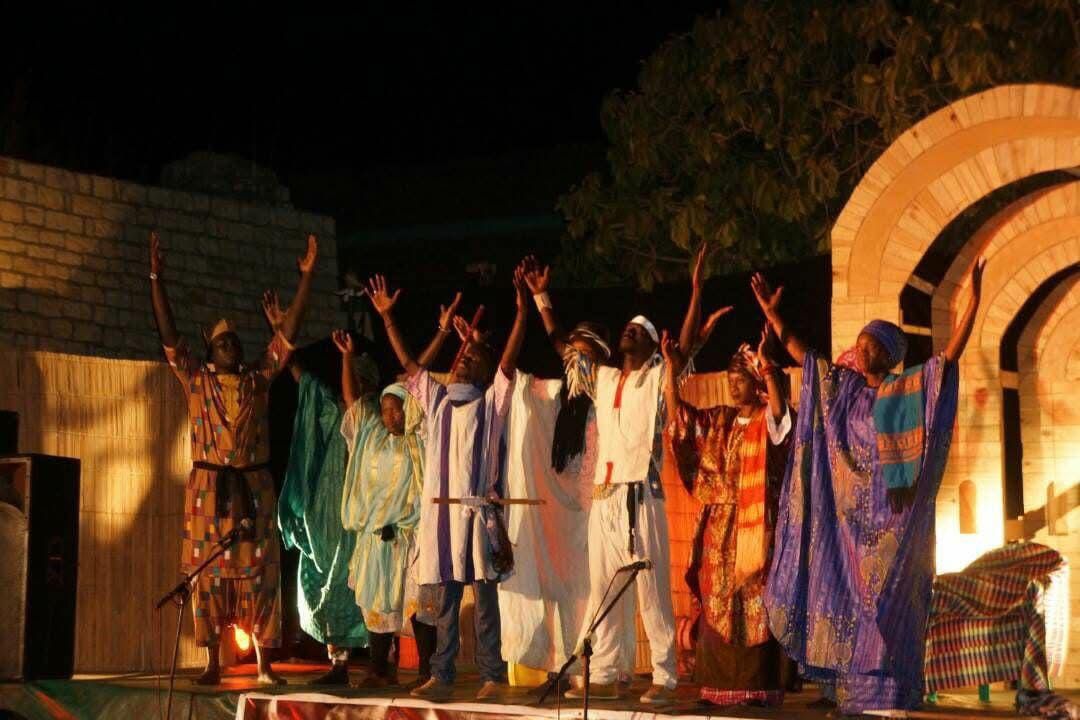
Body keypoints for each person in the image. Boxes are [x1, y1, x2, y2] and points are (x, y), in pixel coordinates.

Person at [761, 258, 986, 715]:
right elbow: (804, 357)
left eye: (870, 345)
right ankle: (855, 698)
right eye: (859, 343)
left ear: (888, 354)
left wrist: (973, 304)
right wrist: (772, 315)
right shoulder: (843, 391)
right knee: (847, 604)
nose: (860, 350)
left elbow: (947, 361)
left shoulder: (909, 391)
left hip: (893, 528)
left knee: (887, 608)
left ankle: (893, 697)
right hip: (847, 527)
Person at [536, 246, 722, 706]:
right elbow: (562, 348)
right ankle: (606, 671)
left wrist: (696, 291)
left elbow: (684, 348)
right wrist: (542, 299)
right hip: (604, 500)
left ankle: (664, 677)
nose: (629, 330)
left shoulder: (657, 378)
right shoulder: (602, 379)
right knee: (605, 590)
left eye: (639, 330)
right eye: (627, 327)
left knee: (652, 592)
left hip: (641, 496)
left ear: (652, 345)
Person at [149, 230, 318, 685]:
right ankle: (212, 663)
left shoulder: (258, 379)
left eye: (237, 343)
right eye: (224, 344)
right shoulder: (196, 380)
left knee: (260, 573)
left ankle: (264, 665)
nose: (233, 348)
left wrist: (307, 278)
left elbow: (287, 336)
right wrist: (156, 280)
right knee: (208, 576)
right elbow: (168, 335)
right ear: (210, 352)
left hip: (253, 488)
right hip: (209, 491)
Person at [367, 271, 527, 703]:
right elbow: (410, 365)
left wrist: (522, 312)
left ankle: (492, 676)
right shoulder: (436, 400)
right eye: (461, 356)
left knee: (486, 604)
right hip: (441, 519)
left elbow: (507, 362)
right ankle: (442, 675)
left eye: (471, 358)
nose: (461, 360)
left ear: (484, 370)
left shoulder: (491, 402)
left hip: (478, 517)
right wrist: (387, 319)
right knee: (445, 605)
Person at [662, 327, 792, 708]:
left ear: (756, 383)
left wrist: (768, 368)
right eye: (730, 380)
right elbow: (680, 421)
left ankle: (757, 687)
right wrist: (671, 371)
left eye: (741, 380)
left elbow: (783, 420)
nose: (733, 387)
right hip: (718, 529)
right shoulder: (719, 420)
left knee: (755, 602)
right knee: (717, 600)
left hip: (757, 526)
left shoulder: (767, 420)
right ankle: (716, 687)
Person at [270, 295, 373, 685]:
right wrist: (280, 333)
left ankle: (383, 662)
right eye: (353, 378)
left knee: (370, 587)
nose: (355, 386)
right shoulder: (331, 410)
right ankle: (339, 664)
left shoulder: (380, 420)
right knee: (323, 585)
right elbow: (306, 382)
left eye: (362, 380)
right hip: (328, 516)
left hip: (363, 518)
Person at [335, 325, 440, 689]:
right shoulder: (370, 436)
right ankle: (379, 669)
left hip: (410, 536)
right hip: (376, 537)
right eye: (384, 410)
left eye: (396, 409)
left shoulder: (420, 439)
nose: (390, 416)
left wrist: (440, 333)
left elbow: (416, 376)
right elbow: (352, 402)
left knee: (419, 604)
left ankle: (428, 671)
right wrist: (346, 358)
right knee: (377, 606)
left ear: (408, 409)